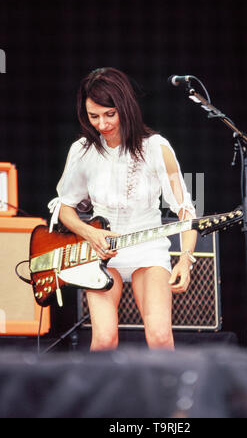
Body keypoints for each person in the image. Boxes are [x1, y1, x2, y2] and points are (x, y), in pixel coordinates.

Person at [49, 67, 197, 351]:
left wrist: (185, 259)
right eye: (94, 116)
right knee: (104, 340)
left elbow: (185, 210)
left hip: (148, 250)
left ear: (126, 108)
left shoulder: (157, 147)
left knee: (160, 337)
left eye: (110, 114)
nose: (102, 124)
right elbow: (64, 208)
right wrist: (89, 234)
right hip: (102, 253)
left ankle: (166, 396)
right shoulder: (81, 150)